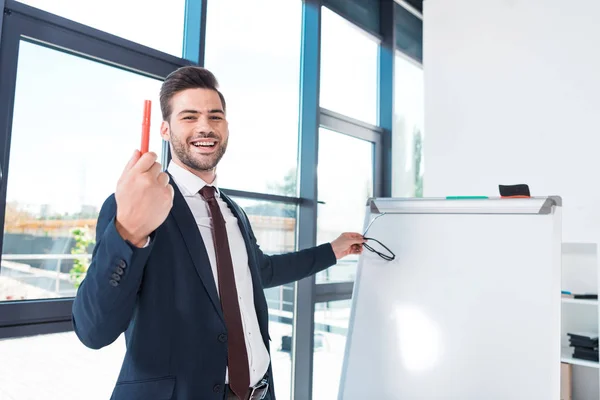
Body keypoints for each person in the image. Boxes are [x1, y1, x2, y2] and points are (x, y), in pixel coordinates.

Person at [72, 66, 366, 400]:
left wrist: (334, 250)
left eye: (215, 117)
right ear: (165, 130)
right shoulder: (135, 206)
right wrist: (128, 232)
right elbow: (93, 330)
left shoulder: (233, 212)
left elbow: (263, 270)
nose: (205, 127)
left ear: (226, 127)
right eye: (189, 117)